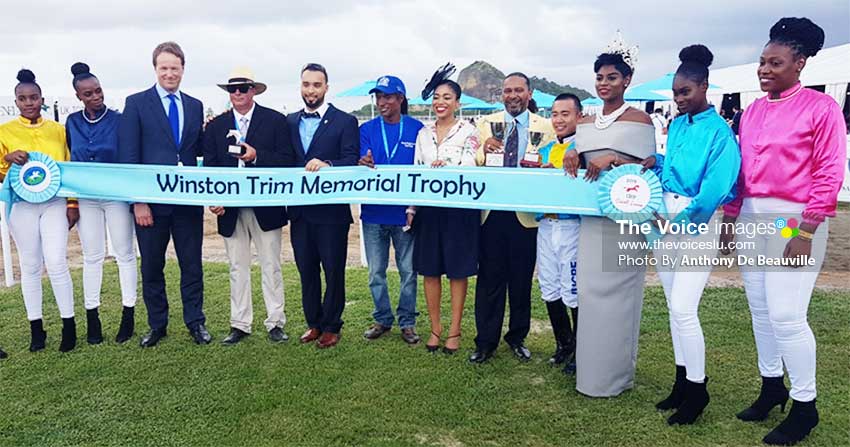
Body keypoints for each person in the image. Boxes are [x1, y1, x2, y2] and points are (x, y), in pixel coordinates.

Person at [719, 18, 845, 446]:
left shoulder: (821, 108)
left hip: (793, 219)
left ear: (800, 64)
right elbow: (740, 171)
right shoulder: (752, 111)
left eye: (775, 62)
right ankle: (772, 386)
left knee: (788, 316)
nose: (764, 69)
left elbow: (830, 172)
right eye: (761, 62)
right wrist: (730, 219)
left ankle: (805, 406)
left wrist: (806, 230)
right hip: (753, 215)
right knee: (759, 309)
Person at [640, 45, 741, 425]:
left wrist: (675, 224)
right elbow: (675, 173)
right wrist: (657, 162)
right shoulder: (679, 124)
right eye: (675, 93)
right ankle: (682, 382)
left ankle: (698, 390)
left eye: (685, 92)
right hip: (666, 219)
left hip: (696, 225)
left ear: (705, 87)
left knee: (684, 308)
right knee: (672, 306)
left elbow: (714, 189)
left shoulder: (721, 134)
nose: (679, 99)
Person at [563, 36, 656, 397]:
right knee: (590, 293)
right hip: (592, 221)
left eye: (612, 77)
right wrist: (572, 150)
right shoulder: (585, 122)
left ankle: (616, 376)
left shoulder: (640, 119)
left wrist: (616, 158)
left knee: (619, 295)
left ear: (627, 81)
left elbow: (649, 169)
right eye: (600, 77)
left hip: (626, 221)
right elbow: (581, 157)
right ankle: (590, 373)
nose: (604, 83)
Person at [118, 41, 209, 347]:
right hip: (151, 206)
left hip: (186, 204)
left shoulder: (195, 105)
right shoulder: (136, 103)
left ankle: (196, 322)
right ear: (155, 69)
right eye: (164, 68)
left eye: (175, 67)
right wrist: (138, 202)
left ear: (183, 69)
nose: (170, 73)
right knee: (152, 266)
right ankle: (158, 325)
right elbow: (129, 157)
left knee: (191, 265)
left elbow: (198, 153)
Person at [203, 67, 293, 345]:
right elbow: (210, 168)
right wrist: (213, 200)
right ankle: (240, 323)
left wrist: (256, 157)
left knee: (271, 265)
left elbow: (287, 161)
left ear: (254, 90)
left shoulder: (276, 121)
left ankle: (275, 321)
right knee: (237, 267)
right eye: (233, 89)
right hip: (231, 209)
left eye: (243, 88)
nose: (238, 94)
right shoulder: (216, 126)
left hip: (266, 206)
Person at [470, 72, 555, 364]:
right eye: (507, 91)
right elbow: (475, 162)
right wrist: (484, 148)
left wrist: (548, 165)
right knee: (489, 281)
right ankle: (485, 342)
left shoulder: (546, 126)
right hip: (492, 214)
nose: (513, 95)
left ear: (529, 94)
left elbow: (553, 163)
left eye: (519, 90)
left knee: (521, 282)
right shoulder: (485, 124)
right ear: (501, 94)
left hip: (526, 215)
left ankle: (517, 338)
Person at [0, 69, 78, 352]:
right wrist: (7, 159)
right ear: (17, 101)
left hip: (54, 204)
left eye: (33, 98)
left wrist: (72, 204)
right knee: (30, 266)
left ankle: (69, 326)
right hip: (21, 208)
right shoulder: (4, 132)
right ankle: (37, 329)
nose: (29, 102)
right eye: (23, 99)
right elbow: (0, 175)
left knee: (56, 262)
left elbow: (68, 168)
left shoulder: (58, 131)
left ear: (42, 99)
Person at [286, 63, 359, 349]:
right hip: (300, 211)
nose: (311, 90)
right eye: (306, 84)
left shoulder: (345, 121)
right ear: (300, 87)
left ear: (326, 88)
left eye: (317, 85)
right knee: (307, 270)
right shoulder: (289, 121)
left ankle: (332, 325)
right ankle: (314, 323)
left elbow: (351, 159)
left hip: (331, 213)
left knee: (333, 270)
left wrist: (328, 165)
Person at [66, 62, 137, 345]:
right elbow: (70, 159)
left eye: (98, 91)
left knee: (124, 254)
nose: (96, 97)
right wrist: (71, 202)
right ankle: (92, 317)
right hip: (86, 197)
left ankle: (128, 313)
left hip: (116, 195)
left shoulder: (119, 120)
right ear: (78, 96)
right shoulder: (72, 122)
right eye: (88, 94)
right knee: (92, 256)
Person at [412, 64, 481, 354]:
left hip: (458, 209)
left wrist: (447, 168)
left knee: (456, 271)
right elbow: (415, 171)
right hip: (429, 209)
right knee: (429, 271)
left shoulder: (469, 131)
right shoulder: (423, 133)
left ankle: (454, 331)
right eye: (436, 97)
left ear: (457, 103)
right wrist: (412, 208)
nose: (440, 102)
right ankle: (435, 329)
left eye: (447, 98)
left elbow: (471, 164)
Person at [358, 75, 423, 344]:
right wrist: (362, 161)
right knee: (376, 272)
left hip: (404, 213)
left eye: (387, 96)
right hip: (373, 213)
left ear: (400, 99)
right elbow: (358, 161)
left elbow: (421, 169)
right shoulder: (367, 129)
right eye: (378, 97)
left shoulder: (417, 128)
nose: (381, 102)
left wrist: (414, 207)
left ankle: (407, 322)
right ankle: (382, 318)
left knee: (408, 270)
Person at [534, 93, 582, 373]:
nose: (559, 119)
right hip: (545, 226)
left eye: (565, 113)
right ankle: (563, 343)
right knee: (549, 287)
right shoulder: (544, 149)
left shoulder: (585, 148)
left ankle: (580, 348)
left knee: (572, 289)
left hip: (571, 227)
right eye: (555, 114)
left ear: (578, 116)